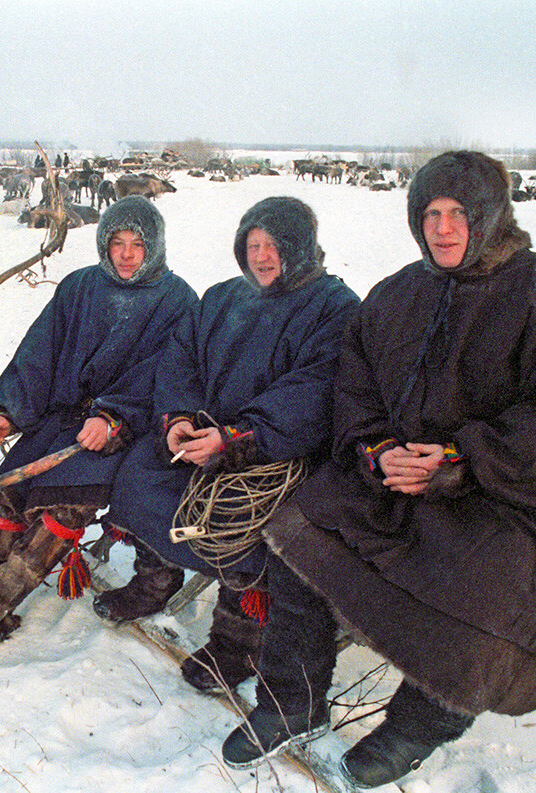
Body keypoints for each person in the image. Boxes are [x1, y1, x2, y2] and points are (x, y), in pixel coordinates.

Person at [223, 151, 536, 782]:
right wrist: (374, 448)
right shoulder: (397, 296)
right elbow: (353, 390)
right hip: (399, 477)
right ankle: (290, 699)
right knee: (301, 523)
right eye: (431, 214)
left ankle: (424, 719)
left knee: (493, 581)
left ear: (490, 216)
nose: (442, 228)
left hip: (520, 493)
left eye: (458, 214)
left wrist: (462, 458)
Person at [94, 197, 359, 696]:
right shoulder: (221, 298)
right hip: (202, 436)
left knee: (240, 520)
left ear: (302, 247)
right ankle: (155, 579)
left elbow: (316, 391)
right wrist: (177, 418)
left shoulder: (335, 308)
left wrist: (235, 440)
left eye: (275, 245)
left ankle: (238, 639)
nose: (262, 256)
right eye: (253, 245)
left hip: (274, 451)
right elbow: (180, 359)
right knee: (144, 474)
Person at [0, 196, 198, 650]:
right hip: (64, 419)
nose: (125, 254)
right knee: (11, 489)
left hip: (124, 432)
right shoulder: (80, 286)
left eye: (137, 245)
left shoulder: (177, 300)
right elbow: (40, 351)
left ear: (155, 247)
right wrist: (8, 409)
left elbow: (167, 375)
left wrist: (113, 417)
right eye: (116, 242)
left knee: (64, 505)